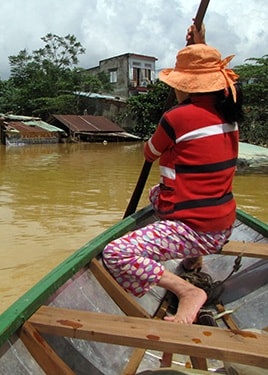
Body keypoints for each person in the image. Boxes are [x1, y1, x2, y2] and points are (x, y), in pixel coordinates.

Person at [102, 24, 243, 324]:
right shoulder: (229, 116)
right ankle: (194, 258)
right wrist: (201, 44)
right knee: (158, 194)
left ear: (185, 85)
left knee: (116, 253)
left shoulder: (177, 117)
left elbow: (149, 153)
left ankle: (188, 291)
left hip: (197, 230)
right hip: (224, 225)